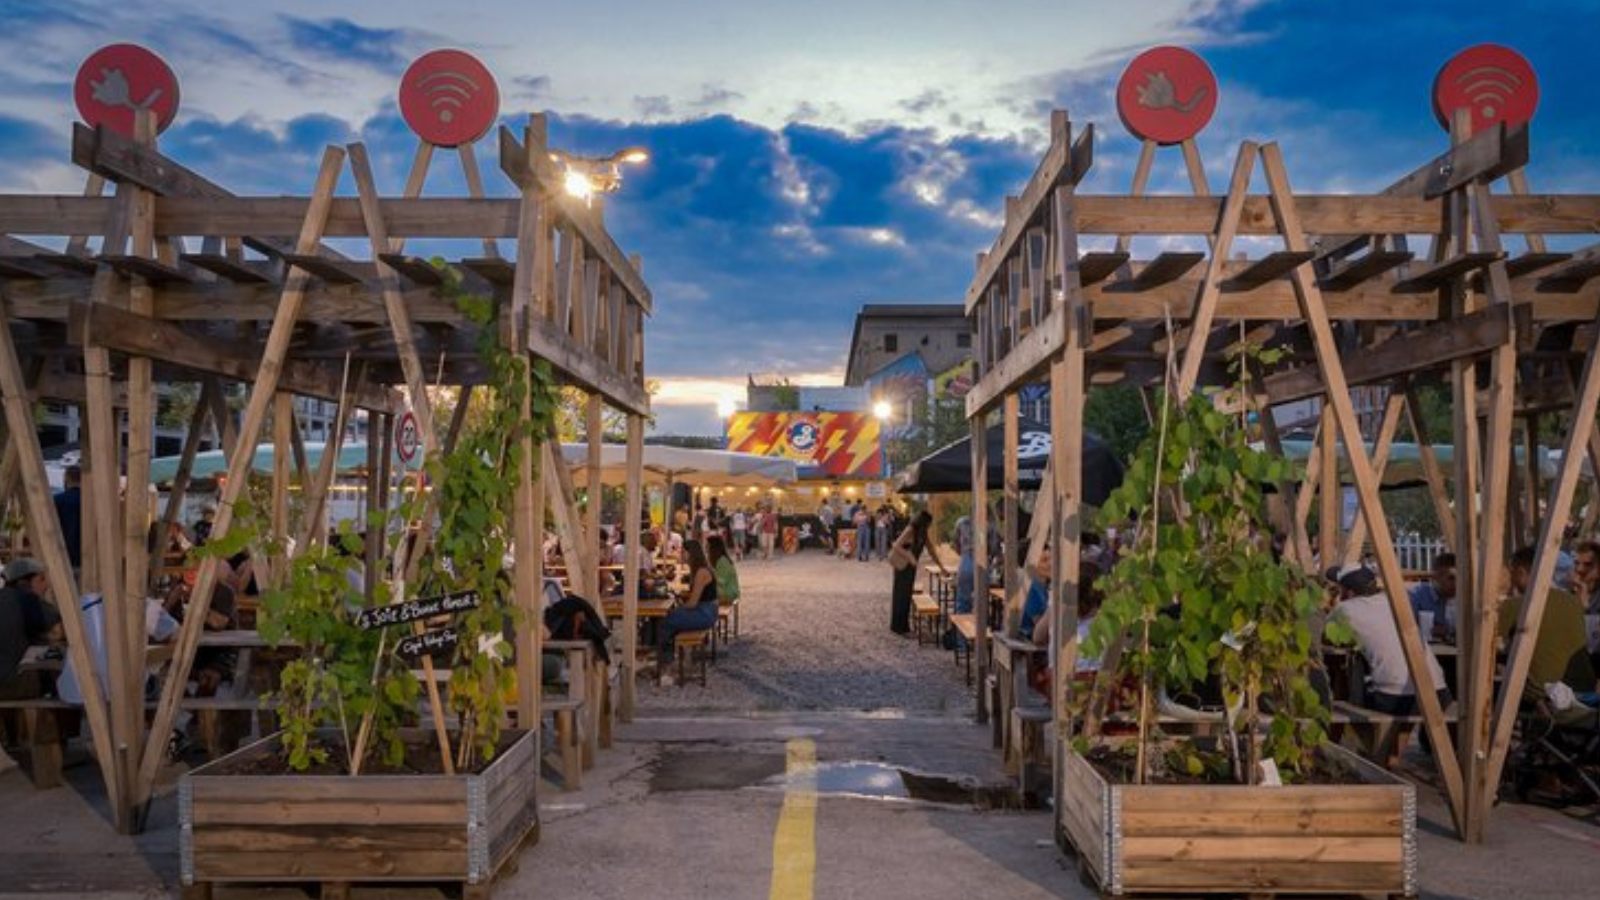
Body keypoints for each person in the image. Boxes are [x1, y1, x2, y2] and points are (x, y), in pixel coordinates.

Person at [1326, 564, 1449, 715]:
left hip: (1396, 698)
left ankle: (1363, 737)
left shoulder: (1344, 609)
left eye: (1339, 589)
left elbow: (1327, 637)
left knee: (1351, 696)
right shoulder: (1394, 602)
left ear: (1349, 593)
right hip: (1439, 693)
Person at [1499, 547, 1596, 706]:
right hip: (1583, 689)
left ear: (1521, 571)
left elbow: (1491, 645)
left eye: (1512, 572)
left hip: (1540, 694)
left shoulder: (1514, 606)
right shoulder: (1573, 602)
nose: (1511, 578)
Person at [656, 539, 720, 686]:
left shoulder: (701, 572)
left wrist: (677, 607)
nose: (680, 554)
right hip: (706, 610)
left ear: (690, 553)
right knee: (670, 620)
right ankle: (670, 660)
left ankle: (666, 664)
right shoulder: (700, 569)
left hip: (705, 613)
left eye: (682, 551)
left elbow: (692, 603)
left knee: (666, 622)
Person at [0, 559, 63, 701]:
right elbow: (60, 631)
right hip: (9, 685)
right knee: (64, 676)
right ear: (23, 582)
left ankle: (12, 724)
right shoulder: (26, 600)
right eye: (41, 579)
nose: (46, 586)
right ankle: (68, 724)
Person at [889, 510, 947, 636]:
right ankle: (900, 628)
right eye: (929, 523)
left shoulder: (922, 533)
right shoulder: (911, 529)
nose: (930, 526)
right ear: (923, 522)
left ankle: (900, 626)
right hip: (903, 566)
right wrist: (910, 557)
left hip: (910, 567)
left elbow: (931, 550)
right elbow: (896, 545)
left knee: (906, 596)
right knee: (901, 596)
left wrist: (941, 567)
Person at [1407, 553, 1456, 641]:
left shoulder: (1463, 598)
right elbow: (1405, 629)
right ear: (1435, 577)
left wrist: (1448, 630)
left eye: (1460, 578)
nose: (1456, 583)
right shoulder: (1416, 597)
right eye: (1451, 578)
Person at [52, 466, 82, 572]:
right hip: (89, 557)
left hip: (64, 555)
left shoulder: (57, 500)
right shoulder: (92, 499)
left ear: (66, 479)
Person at [708, 534, 741, 615]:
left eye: (707, 547)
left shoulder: (722, 561)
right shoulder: (719, 560)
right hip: (724, 591)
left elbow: (720, 582)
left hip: (728, 593)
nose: (706, 549)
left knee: (702, 599)